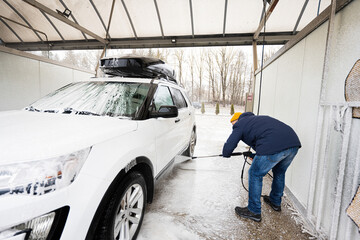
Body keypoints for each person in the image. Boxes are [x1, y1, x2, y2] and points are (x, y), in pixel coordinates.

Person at [222, 112, 301, 222]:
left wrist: (226, 153)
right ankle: (275, 201)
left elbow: (230, 144)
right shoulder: (257, 120)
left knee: (255, 174)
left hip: (274, 146)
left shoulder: (240, 123)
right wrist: (254, 155)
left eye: (233, 123)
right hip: (293, 144)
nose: (233, 127)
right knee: (279, 172)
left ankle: (254, 210)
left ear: (237, 120)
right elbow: (266, 140)